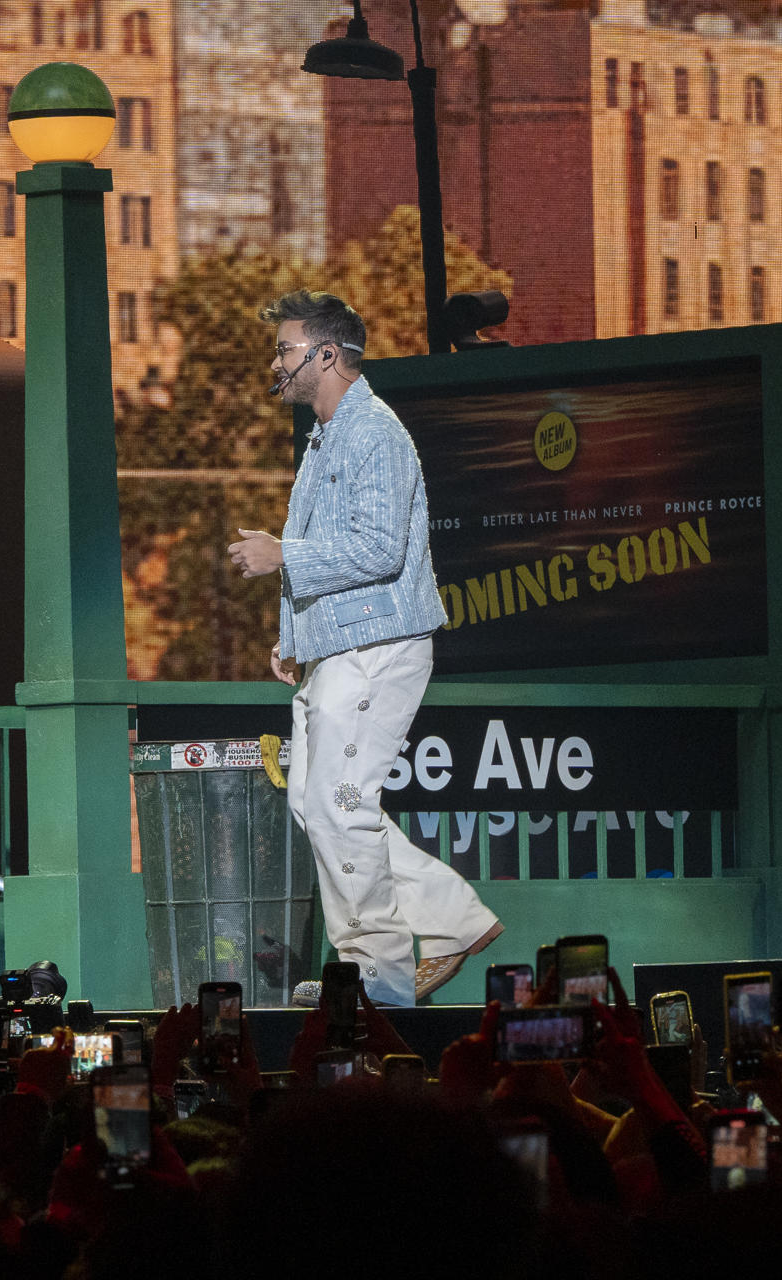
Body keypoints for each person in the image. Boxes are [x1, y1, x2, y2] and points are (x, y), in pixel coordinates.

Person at [229, 290, 501, 1007]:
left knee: (341, 804)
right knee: (322, 805)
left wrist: (281, 555)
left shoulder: (373, 432)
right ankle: (448, 922)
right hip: (341, 650)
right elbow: (342, 545)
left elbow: (379, 550)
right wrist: (295, 638)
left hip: (379, 646)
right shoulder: (328, 436)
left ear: (326, 354)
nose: (276, 364)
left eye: (284, 351)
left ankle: (378, 978)